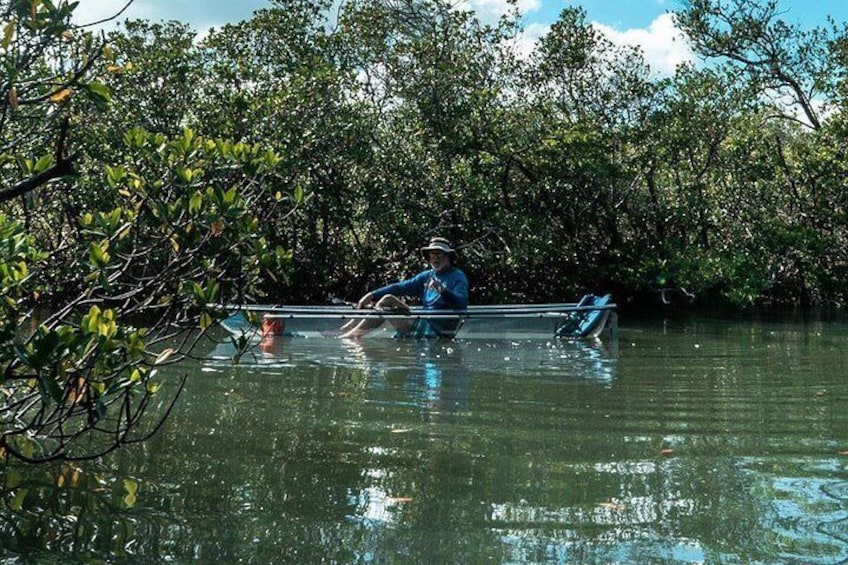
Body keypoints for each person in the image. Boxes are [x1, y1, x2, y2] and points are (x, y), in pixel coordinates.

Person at [340, 236, 469, 339]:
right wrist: (371, 295)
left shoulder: (457, 276)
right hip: (422, 319)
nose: (435, 258)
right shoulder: (427, 276)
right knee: (386, 299)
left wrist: (442, 290)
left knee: (388, 301)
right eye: (432, 254)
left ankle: (351, 337)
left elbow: (461, 303)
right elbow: (401, 287)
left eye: (439, 254)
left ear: (448, 257)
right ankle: (349, 330)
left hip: (437, 328)